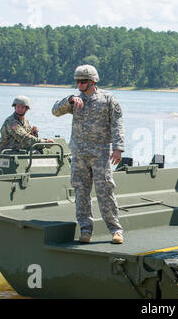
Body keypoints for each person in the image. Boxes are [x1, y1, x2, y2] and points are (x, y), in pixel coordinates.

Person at [51, 65, 125, 244]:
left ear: (92, 82)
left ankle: (115, 230)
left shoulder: (108, 99)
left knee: (105, 191)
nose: (79, 84)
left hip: (100, 154)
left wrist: (118, 147)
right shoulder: (75, 100)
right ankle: (85, 230)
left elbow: (117, 124)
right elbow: (55, 111)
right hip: (79, 154)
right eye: (77, 81)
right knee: (81, 193)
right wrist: (68, 100)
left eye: (82, 81)